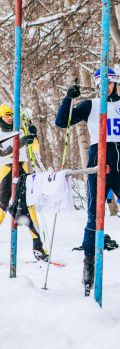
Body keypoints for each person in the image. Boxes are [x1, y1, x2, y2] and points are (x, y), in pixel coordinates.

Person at [55, 67, 120, 291]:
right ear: (97, 86)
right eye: (102, 84)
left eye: (110, 83)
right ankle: (89, 264)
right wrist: (68, 98)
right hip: (98, 164)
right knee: (94, 217)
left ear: (115, 83)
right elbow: (61, 122)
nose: (107, 87)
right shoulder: (91, 105)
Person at [0, 104, 48, 261]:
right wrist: (21, 141)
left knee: (29, 208)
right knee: (1, 210)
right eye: (7, 114)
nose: (10, 117)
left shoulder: (21, 130)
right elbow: (3, 153)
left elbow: (35, 148)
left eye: (12, 114)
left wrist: (33, 136)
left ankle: (38, 247)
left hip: (22, 170)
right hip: (5, 173)